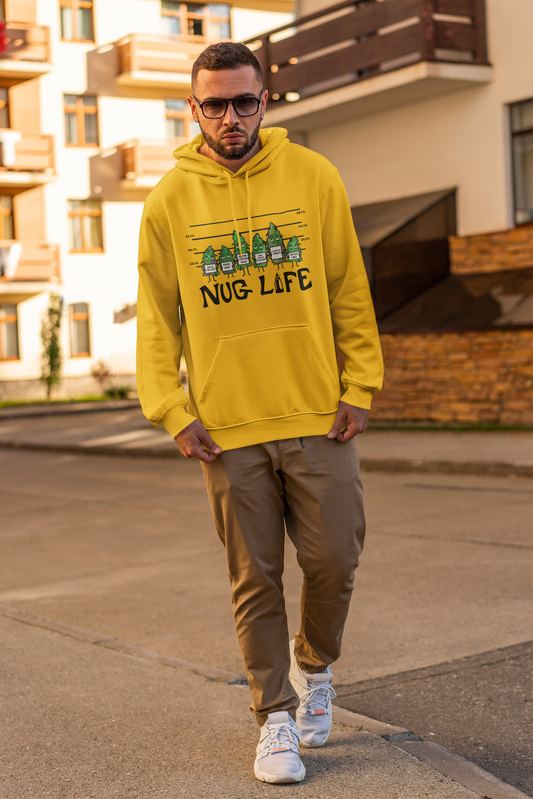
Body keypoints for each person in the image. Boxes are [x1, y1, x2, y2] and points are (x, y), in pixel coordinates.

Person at [136, 41, 383, 784]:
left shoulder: (312, 176)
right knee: (255, 580)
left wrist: (360, 383)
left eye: (244, 101)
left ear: (264, 101)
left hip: (316, 413)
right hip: (227, 429)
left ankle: (315, 665)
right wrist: (171, 408)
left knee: (335, 559)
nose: (231, 117)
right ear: (192, 109)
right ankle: (274, 717)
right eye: (214, 104)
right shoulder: (168, 201)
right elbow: (158, 316)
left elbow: (347, 285)